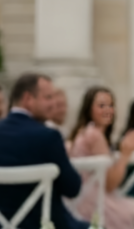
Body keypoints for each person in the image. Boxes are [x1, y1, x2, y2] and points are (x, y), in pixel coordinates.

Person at [0, 73, 88, 229]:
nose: (54, 104)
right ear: (28, 99)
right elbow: (73, 188)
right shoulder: (48, 137)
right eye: (48, 97)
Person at [68, 86, 134, 227]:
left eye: (111, 105)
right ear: (89, 109)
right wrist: (125, 154)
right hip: (92, 202)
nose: (108, 110)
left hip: (80, 199)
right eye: (101, 106)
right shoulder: (94, 135)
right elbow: (111, 184)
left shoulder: (84, 132)